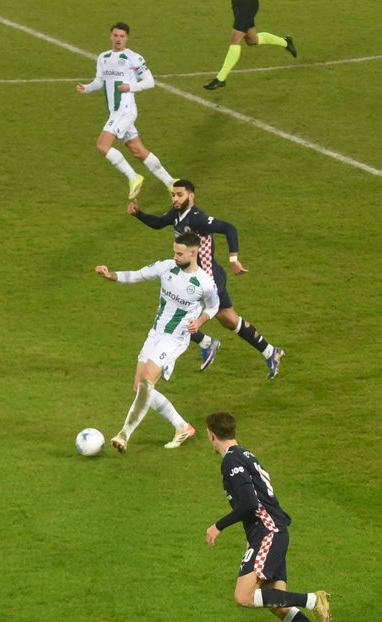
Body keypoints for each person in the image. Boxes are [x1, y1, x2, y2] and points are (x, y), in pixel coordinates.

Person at [203, 411, 342, 622]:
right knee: (277, 604)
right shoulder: (246, 454)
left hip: (268, 532)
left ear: (211, 435)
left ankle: (313, 600)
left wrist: (217, 526)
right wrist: (251, 539)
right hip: (271, 532)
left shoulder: (231, 461)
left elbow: (249, 504)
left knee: (243, 596)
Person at [129, 179, 284, 378]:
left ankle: (199, 347)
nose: (175, 199)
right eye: (173, 195)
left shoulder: (198, 219)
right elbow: (159, 223)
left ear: (191, 196)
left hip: (206, 280)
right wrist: (138, 214)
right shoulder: (177, 214)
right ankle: (270, 351)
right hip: (198, 277)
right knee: (230, 320)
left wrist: (234, 259)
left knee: (171, 317)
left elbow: (229, 228)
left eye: (180, 195)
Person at [94, 233, 220, 452]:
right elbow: (137, 275)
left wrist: (199, 322)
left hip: (175, 338)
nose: (175, 256)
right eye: (174, 252)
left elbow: (213, 306)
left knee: (146, 383)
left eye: (180, 254)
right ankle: (183, 427)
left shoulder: (204, 283)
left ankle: (124, 434)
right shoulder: (166, 267)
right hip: (155, 333)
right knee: (139, 387)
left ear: (193, 253)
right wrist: (109, 275)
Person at [77, 22, 176, 200]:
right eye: (115, 35)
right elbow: (99, 81)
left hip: (125, 110)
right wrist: (87, 88)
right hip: (115, 111)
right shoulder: (103, 57)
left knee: (102, 146)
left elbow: (150, 82)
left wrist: (130, 86)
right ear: (111, 36)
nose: (118, 39)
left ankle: (133, 177)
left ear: (127, 38)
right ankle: (171, 182)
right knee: (138, 150)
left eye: (122, 36)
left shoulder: (134, 58)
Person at [204, 1, 297, 90]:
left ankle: (221, 78)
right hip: (238, 5)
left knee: (235, 39)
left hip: (247, 5)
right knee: (252, 39)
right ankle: (286, 42)